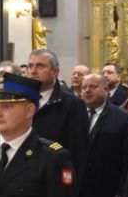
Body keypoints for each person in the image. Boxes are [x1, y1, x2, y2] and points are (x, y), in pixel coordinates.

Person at [78, 73, 128, 197]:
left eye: (93, 87)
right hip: (77, 193)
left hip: (107, 194)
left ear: (106, 90)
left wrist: (121, 192)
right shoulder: (75, 115)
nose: (88, 91)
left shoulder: (123, 118)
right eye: (84, 87)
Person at [28, 49, 89, 180]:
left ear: (55, 72)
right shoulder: (21, 99)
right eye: (30, 66)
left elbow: (77, 152)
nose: (33, 71)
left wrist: (68, 184)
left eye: (40, 66)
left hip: (53, 178)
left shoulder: (73, 104)